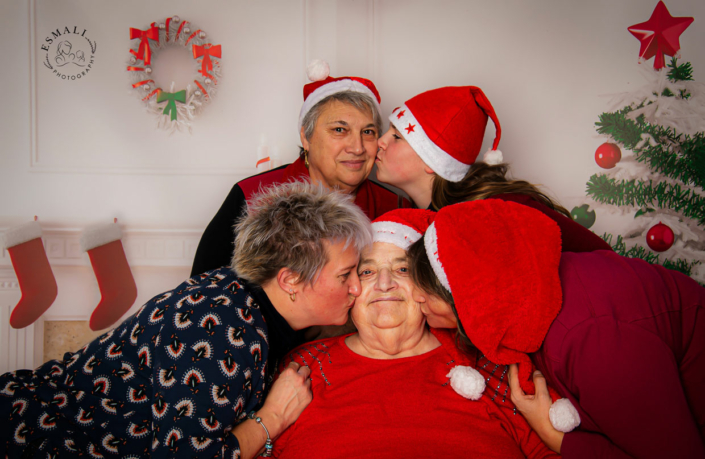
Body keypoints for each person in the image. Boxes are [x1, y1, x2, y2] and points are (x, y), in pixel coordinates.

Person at [0, 181, 373, 459]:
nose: (358, 287)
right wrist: (273, 417)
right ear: (291, 280)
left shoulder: (249, 299)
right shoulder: (223, 327)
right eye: (346, 275)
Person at [407, 199, 705, 458]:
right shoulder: (528, 298)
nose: (416, 297)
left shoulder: (591, 341)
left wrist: (558, 439)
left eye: (426, 291)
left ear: (472, 298)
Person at [269, 209, 559, 459]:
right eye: (367, 271)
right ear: (349, 287)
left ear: (428, 285)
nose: (385, 283)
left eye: (403, 269)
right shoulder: (304, 367)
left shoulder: (485, 364)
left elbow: (549, 450)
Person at [191, 60, 407, 277]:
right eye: (340, 129)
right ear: (306, 137)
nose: (358, 147)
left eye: (368, 132)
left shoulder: (395, 206)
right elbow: (202, 288)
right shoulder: (251, 195)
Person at [376, 85, 611, 253]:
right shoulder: (411, 219)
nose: (380, 141)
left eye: (396, 136)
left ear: (432, 162)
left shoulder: (500, 212)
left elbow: (600, 257)